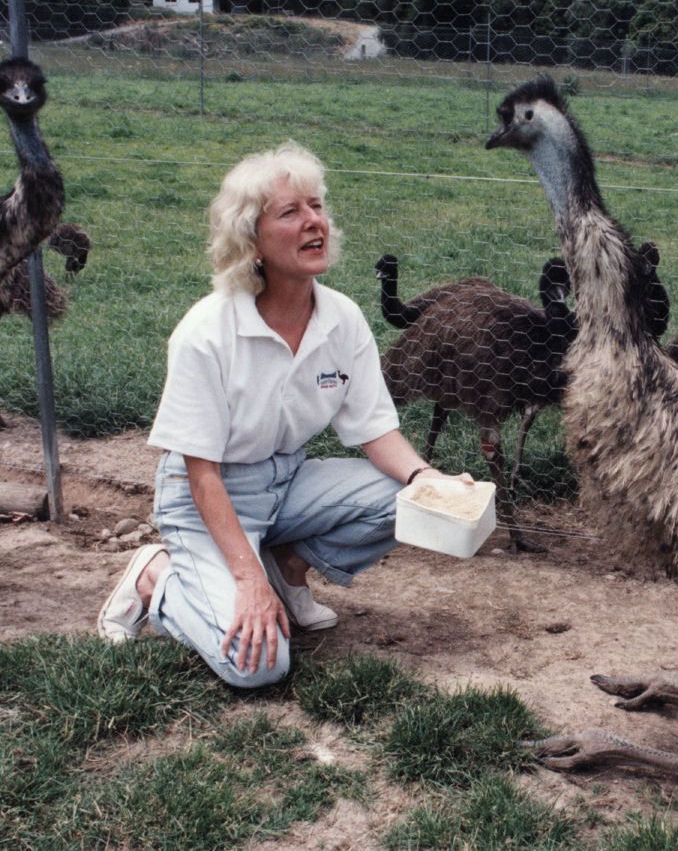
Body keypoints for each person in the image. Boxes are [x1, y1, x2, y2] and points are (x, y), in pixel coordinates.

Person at [97, 141, 472, 688]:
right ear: (252, 240)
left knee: (406, 500)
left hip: (286, 481)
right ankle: (158, 580)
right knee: (258, 667)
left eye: (317, 206)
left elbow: (377, 431)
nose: (313, 222)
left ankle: (287, 567)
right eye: (291, 212)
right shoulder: (207, 332)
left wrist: (431, 482)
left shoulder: (342, 318)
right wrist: (247, 581)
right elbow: (201, 474)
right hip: (208, 500)